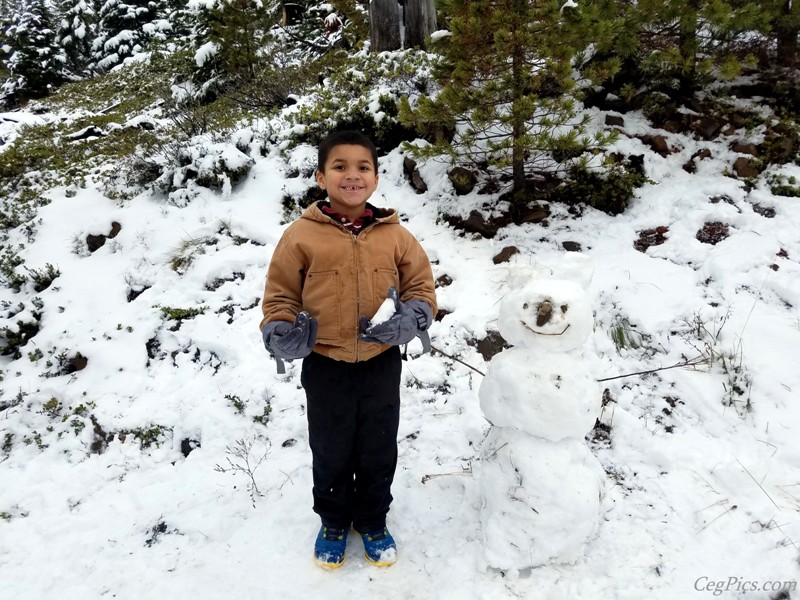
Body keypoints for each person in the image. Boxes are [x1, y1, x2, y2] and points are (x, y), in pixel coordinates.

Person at [259, 130, 437, 569]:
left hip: (380, 362)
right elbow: (280, 295)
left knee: (378, 445)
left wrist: (411, 318)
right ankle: (334, 520)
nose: (351, 175)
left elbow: (421, 286)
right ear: (321, 177)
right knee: (331, 445)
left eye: (363, 167)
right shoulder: (299, 236)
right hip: (326, 364)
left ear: (376, 178)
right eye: (340, 166)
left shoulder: (396, 236)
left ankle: (373, 520)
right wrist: (281, 331)